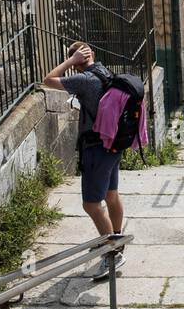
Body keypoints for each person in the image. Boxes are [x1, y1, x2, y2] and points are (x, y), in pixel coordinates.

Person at [43, 42, 126, 281]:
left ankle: (112, 254)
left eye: (74, 59)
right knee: (111, 194)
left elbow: (48, 80)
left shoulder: (84, 80)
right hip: (113, 144)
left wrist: (69, 62)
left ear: (77, 61)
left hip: (96, 148)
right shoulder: (106, 72)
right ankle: (115, 238)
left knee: (91, 205)